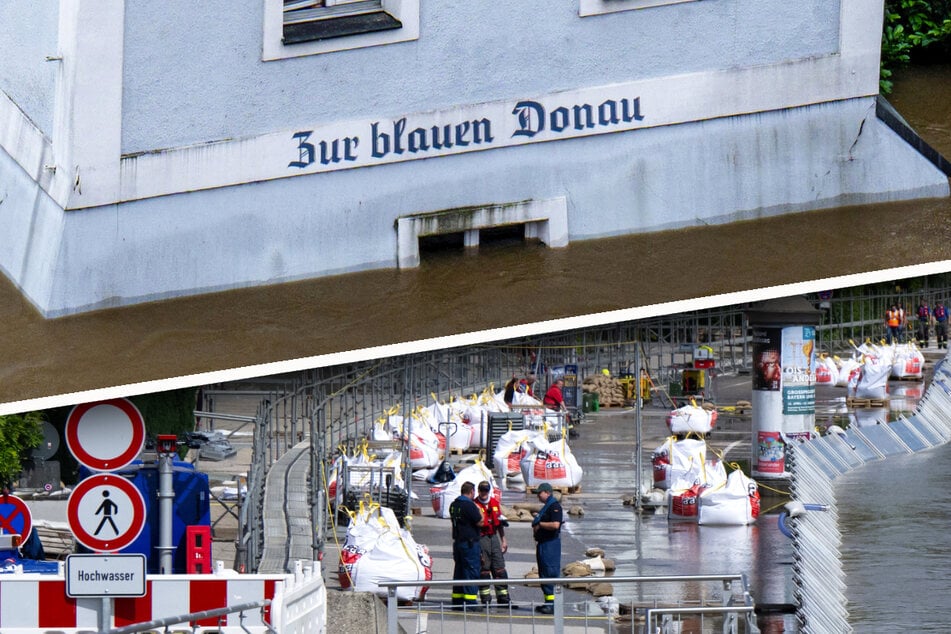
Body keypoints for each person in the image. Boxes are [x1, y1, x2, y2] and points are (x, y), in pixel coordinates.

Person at [474, 481, 514, 607]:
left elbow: (500, 524)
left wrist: (503, 540)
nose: (484, 493)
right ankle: (485, 599)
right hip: (481, 538)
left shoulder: (494, 503)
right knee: (484, 569)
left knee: (500, 568)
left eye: (486, 490)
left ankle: (503, 598)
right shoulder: (475, 504)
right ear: (478, 491)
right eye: (482, 490)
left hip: (494, 537)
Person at [449, 481, 484, 610]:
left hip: (458, 542)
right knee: (471, 570)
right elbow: (480, 522)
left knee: (459, 571)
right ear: (471, 492)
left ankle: (457, 599)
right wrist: (480, 511)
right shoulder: (469, 506)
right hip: (469, 543)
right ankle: (470, 601)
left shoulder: (454, 505)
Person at [531, 481, 563, 614]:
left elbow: (556, 525)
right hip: (544, 544)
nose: (538, 496)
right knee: (543, 573)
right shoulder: (547, 506)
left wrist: (540, 525)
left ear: (547, 493)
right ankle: (548, 602)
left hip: (550, 545)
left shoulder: (554, 507)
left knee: (550, 573)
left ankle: (553, 604)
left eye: (540, 493)